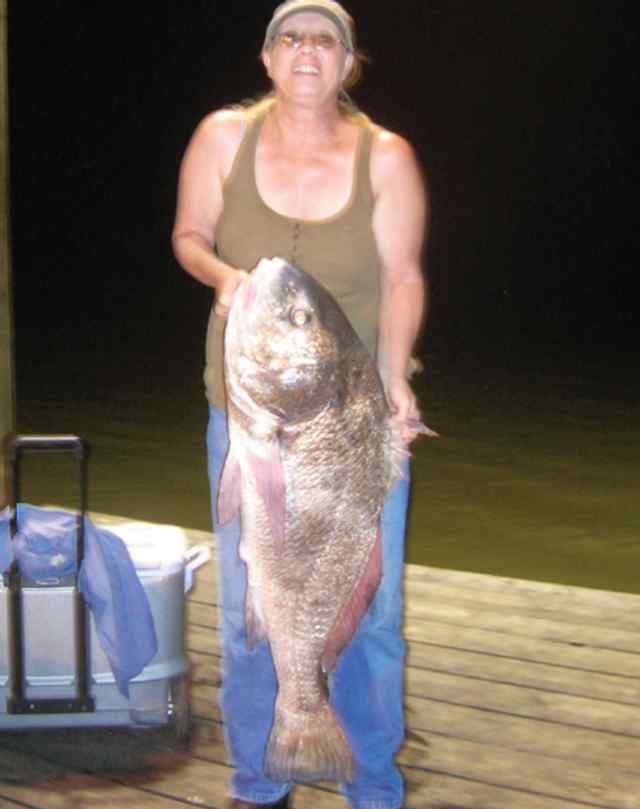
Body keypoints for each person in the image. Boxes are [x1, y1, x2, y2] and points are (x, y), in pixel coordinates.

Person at [172, 2, 430, 807]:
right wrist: (226, 280)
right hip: (251, 418)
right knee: (251, 605)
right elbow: (189, 236)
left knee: (371, 611)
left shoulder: (386, 157)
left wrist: (395, 377)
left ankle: (373, 783)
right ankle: (261, 778)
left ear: (349, 62)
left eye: (326, 39)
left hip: (353, 423)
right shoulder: (223, 137)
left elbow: (403, 278)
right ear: (267, 57)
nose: (307, 50)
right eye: (291, 37)